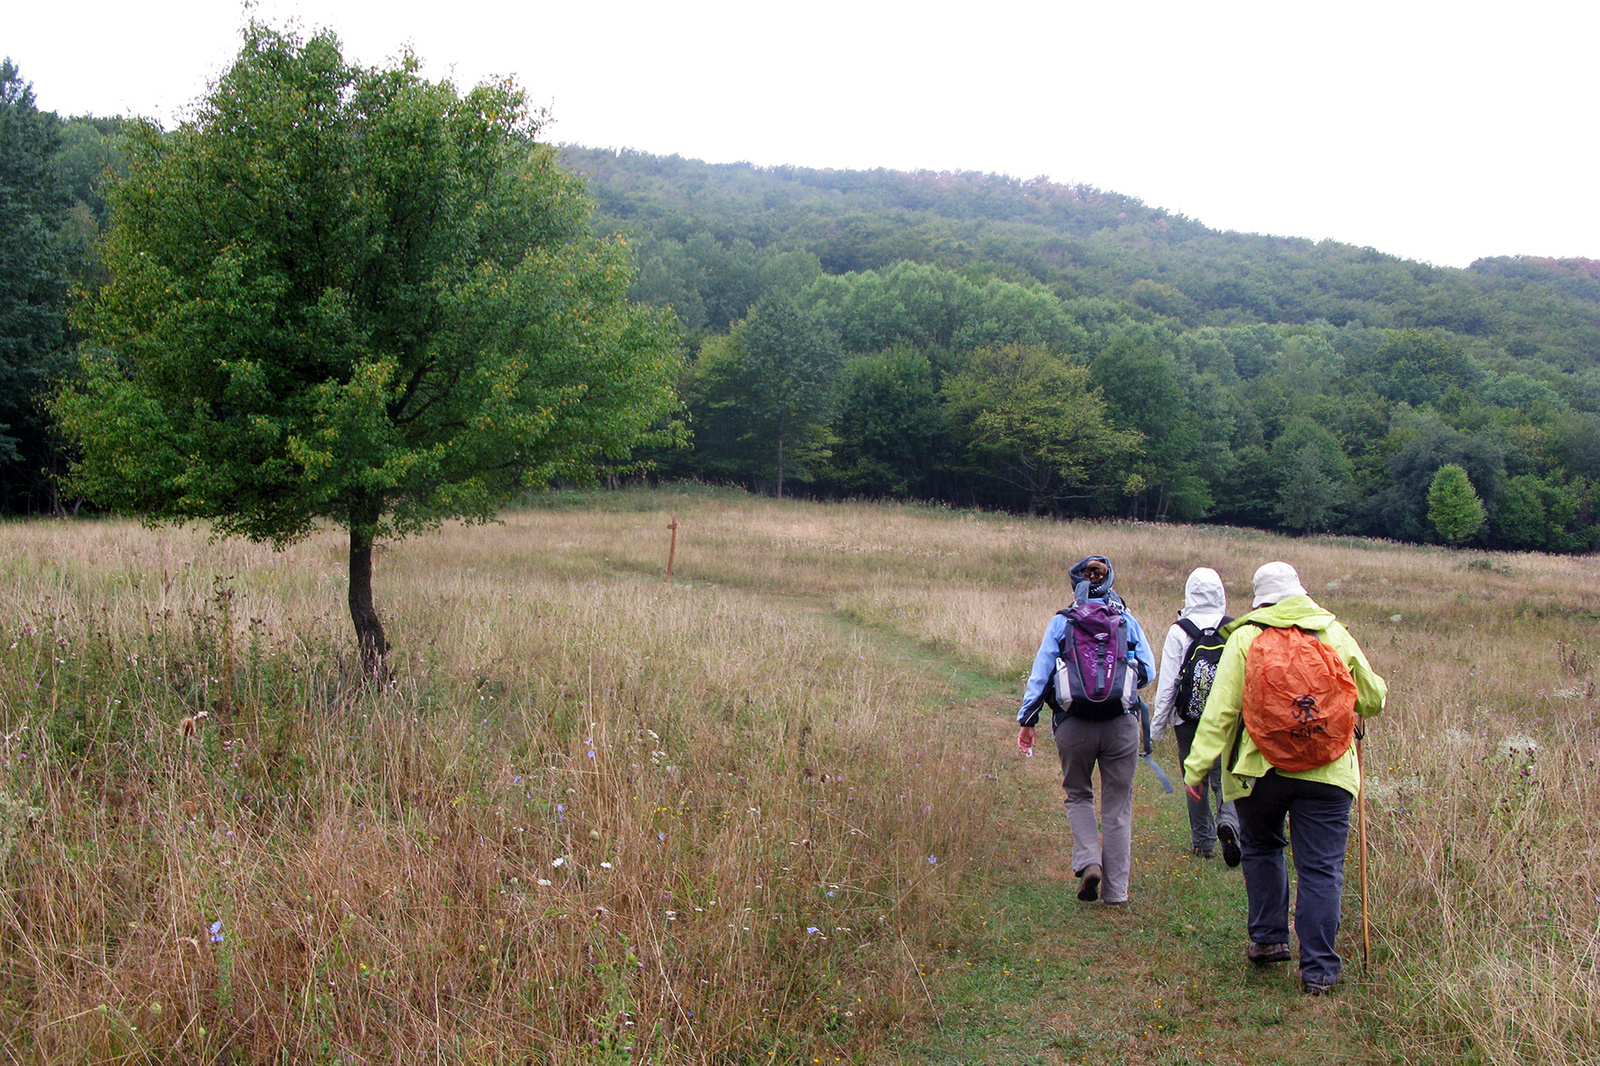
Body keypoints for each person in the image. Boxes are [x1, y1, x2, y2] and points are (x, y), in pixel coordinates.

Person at [1182, 561, 1387, 995]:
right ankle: (1319, 971)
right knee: (1321, 868)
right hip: (1328, 772)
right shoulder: (1333, 632)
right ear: (1299, 591)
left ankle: (1268, 939)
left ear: (1258, 598)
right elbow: (1371, 700)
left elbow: (1221, 713)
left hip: (1260, 772)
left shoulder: (1244, 638)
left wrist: (1197, 767)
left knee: (1261, 848)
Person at [1017, 555, 1157, 906]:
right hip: (1121, 723)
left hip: (1073, 723)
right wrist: (1122, 681)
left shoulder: (1062, 622)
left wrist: (1027, 721)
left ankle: (1089, 862)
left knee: (1078, 795)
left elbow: (1041, 674)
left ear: (1075, 583)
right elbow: (1149, 671)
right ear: (1110, 581)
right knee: (1117, 806)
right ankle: (1116, 892)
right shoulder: (1125, 619)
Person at [1149, 567, 1240, 863]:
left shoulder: (1180, 630)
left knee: (1195, 777)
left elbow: (1169, 684)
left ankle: (1203, 843)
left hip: (1187, 719)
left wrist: (1157, 727)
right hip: (1226, 717)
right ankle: (1229, 822)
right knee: (1225, 776)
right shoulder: (1234, 629)